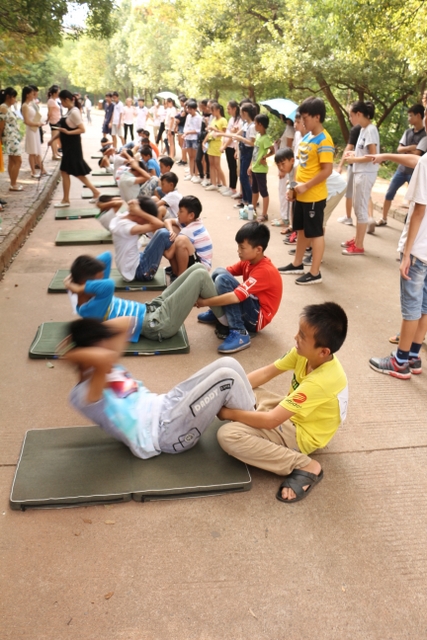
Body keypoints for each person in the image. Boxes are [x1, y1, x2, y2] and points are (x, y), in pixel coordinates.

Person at [63, 316, 256, 459]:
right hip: (166, 432)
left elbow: (128, 322)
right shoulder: (84, 394)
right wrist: (70, 354)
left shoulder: (107, 366)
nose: (109, 347)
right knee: (226, 378)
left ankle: (254, 414)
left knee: (229, 363)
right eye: (100, 344)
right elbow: (102, 359)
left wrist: (86, 337)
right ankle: (259, 429)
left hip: (167, 403)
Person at [217, 302, 348, 503]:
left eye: (302, 336)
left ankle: (305, 465)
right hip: (291, 411)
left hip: (301, 433)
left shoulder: (321, 381)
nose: (296, 337)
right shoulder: (305, 354)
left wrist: (228, 413)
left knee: (228, 436)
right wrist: (233, 388)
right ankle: (250, 415)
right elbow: (266, 373)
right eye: (299, 331)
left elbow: (272, 420)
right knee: (242, 386)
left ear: (323, 351)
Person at [64, 252, 229, 343]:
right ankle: (227, 322)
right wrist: (77, 286)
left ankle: (218, 313)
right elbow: (108, 285)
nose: (101, 281)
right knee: (200, 276)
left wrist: (75, 277)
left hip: (152, 307)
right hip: (157, 324)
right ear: (86, 284)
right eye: (96, 282)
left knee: (198, 267)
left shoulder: (92, 296)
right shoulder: (89, 310)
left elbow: (106, 257)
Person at [368, 145, 427, 379]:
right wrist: (385, 156)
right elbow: (415, 160)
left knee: (412, 307)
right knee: (424, 307)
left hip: (419, 250)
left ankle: (400, 361)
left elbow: (419, 211)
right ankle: (413, 356)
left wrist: (407, 253)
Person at [197, 221, 283, 353]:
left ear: (258, 250)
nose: (238, 251)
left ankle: (239, 331)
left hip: (256, 319)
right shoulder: (249, 261)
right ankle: (218, 312)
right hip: (252, 306)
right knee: (218, 272)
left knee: (223, 280)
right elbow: (226, 271)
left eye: (242, 248)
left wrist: (205, 302)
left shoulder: (264, 271)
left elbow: (235, 297)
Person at [278, 97, 334, 284]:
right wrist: (293, 187)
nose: (303, 121)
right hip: (301, 195)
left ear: (317, 117)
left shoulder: (324, 140)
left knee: (315, 233)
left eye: (306, 118)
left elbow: (327, 170)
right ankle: (297, 264)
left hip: (314, 197)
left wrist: (306, 186)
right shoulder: (307, 136)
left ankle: (315, 272)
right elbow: (301, 166)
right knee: (301, 230)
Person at [99, 195, 172, 281]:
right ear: (139, 215)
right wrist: (140, 212)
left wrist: (137, 209)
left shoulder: (121, 218)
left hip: (133, 264)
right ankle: (177, 271)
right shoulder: (127, 227)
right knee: (163, 234)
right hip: (141, 271)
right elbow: (159, 224)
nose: (146, 223)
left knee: (169, 235)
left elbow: (132, 203)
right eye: (146, 221)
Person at [49, 89, 101, 208]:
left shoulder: (74, 112)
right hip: (68, 146)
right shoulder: (69, 111)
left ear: (67, 99)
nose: (61, 103)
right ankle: (68, 199)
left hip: (73, 146)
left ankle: (68, 199)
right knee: (67, 171)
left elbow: (82, 129)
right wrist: (53, 139)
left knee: (75, 172)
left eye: (62, 101)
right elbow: (63, 130)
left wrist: (67, 132)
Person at [376, 104, 426, 226]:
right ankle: (384, 218)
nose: (408, 118)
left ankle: (409, 224)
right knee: (389, 193)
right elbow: (400, 149)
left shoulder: (424, 135)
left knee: (414, 200)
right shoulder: (407, 132)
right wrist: (411, 148)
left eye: (411, 115)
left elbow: (417, 154)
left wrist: (405, 150)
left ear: (418, 116)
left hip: (414, 172)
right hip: (401, 170)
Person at [341, 101, 379, 254]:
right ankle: (357, 239)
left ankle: (359, 245)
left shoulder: (370, 130)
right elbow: (364, 152)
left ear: (359, 114)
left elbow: (373, 155)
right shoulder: (363, 129)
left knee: (361, 209)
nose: (350, 118)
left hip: (366, 174)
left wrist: (354, 159)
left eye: (351, 115)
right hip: (360, 172)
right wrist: (354, 154)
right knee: (358, 208)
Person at [164, 195, 213, 277]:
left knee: (180, 241)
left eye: (181, 211)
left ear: (191, 215)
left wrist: (160, 246)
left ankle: (181, 276)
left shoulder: (189, 230)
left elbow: (169, 254)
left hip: (200, 268)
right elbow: (167, 221)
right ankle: (176, 271)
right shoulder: (193, 221)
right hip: (197, 260)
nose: (177, 213)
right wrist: (171, 231)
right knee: (174, 229)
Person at [248, 113, 274, 222]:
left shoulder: (265, 138)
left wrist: (265, 157)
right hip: (255, 168)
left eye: (255, 123)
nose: (254, 125)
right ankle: (253, 209)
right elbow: (255, 152)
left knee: (263, 191)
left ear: (260, 125)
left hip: (261, 170)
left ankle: (264, 214)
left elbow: (273, 150)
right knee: (254, 189)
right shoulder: (258, 136)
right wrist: (250, 166)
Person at [0, 87, 23, 191]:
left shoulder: (8, 108)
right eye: (14, 97)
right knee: (18, 161)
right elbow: (1, 125)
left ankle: (13, 182)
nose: (15, 100)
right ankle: (13, 184)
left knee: (12, 161)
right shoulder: (3, 107)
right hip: (10, 138)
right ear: (8, 97)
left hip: (13, 137)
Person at [21, 86, 45, 178]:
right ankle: (33, 172)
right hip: (31, 129)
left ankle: (43, 170)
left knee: (37, 150)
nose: (33, 95)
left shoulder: (31, 104)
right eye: (32, 93)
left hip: (35, 129)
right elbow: (26, 121)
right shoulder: (25, 106)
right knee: (32, 151)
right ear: (27, 94)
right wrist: (37, 123)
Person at [219, 100, 242, 196]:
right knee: (230, 167)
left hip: (232, 146)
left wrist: (224, 145)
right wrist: (223, 144)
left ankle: (233, 188)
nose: (227, 111)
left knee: (233, 168)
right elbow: (227, 132)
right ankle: (231, 187)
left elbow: (232, 136)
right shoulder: (231, 119)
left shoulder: (239, 120)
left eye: (229, 109)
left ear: (234, 108)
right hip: (228, 146)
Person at [204, 102, 228, 191]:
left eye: (213, 110)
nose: (212, 112)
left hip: (218, 143)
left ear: (218, 110)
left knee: (217, 165)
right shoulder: (213, 119)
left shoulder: (223, 120)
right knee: (211, 164)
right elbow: (210, 132)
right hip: (211, 143)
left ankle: (224, 184)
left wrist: (215, 129)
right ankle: (213, 183)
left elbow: (224, 133)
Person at [182, 99, 202, 181]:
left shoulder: (199, 118)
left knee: (195, 157)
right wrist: (185, 133)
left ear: (195, 109)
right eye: (188, 109)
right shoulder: (188, 116)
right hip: (188, 138)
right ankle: (191, 173)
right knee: (190, 156)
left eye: (190, 109)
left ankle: (195, 174)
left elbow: (199, 130)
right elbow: (186, 126)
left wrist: (189, 132)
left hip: (194, 138)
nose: (188, 111)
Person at [47, 85, 62, 160]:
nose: (58, 94)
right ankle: (54, 154)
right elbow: (50, 112)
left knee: (56, 138)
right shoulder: (51, 101)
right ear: (53, 93)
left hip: (57, 120)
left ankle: (56, 152)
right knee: (54, 138)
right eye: (57, 92)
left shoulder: (55, 100)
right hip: (54, 121)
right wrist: (47, 120)